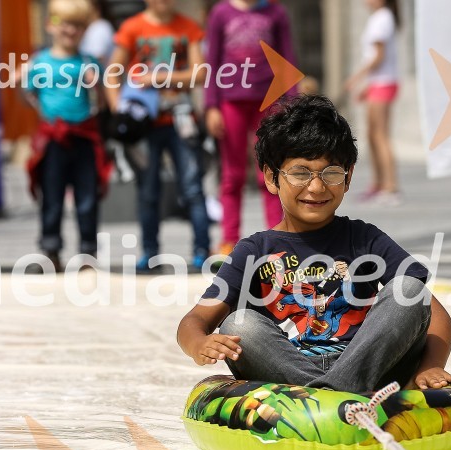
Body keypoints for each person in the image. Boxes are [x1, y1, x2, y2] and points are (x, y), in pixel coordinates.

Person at [177, 95, 451, 394]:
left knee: (410, 290)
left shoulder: (365, 238)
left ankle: (330, 393)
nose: (316, 187)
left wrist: (431, 365)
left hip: (367, 365)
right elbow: (195, 319)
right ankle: (337, 396)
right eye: (300, 173)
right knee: (239, 324)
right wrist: (198, 342)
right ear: (272, 178)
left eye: (331, 173)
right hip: (288, 367)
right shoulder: (254, 251)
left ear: (348, 177)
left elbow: (433, 312)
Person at [107, 0, 211, 272]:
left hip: (180, 119)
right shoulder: (132, 27)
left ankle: (202, 249)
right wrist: (120, 110)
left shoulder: (188, 27)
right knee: (148, 191)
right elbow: (112, 72)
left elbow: (199, 73)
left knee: (192, 187)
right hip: (145, 123)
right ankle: (150, 252)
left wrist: (158, 78)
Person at [20, 0, 111, 270]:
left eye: (78, 26)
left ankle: (87, 253)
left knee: (86, 198)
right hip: (53, 139)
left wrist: (98, 87)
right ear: (51, 25)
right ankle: (51, 250)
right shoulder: (40, 61)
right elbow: (28, 96)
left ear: (85, 30)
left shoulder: (88, 62)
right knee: (52, 196)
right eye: (64, 24)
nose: (70, 31)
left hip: (83, 137)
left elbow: (102, 104)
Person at [204, 0, 298, 257]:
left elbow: (287, 57)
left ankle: (278, 238)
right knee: (232, 175)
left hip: (268, 101)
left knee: (269, 173)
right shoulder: (221, 13)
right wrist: (211, 105)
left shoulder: (276, 12)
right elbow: (211, 62)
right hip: (230, 101)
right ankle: (229, 240)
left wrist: (292, 103)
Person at [345, 0, 401, 205]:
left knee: (380, 135)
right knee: (372, 134)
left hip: (383, 83)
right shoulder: (379, 18)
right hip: (378, 83)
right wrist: (367, 86)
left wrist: (356, 78)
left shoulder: (382, 18)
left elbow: (378, 57)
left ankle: (391, 187)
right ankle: (378, 184)